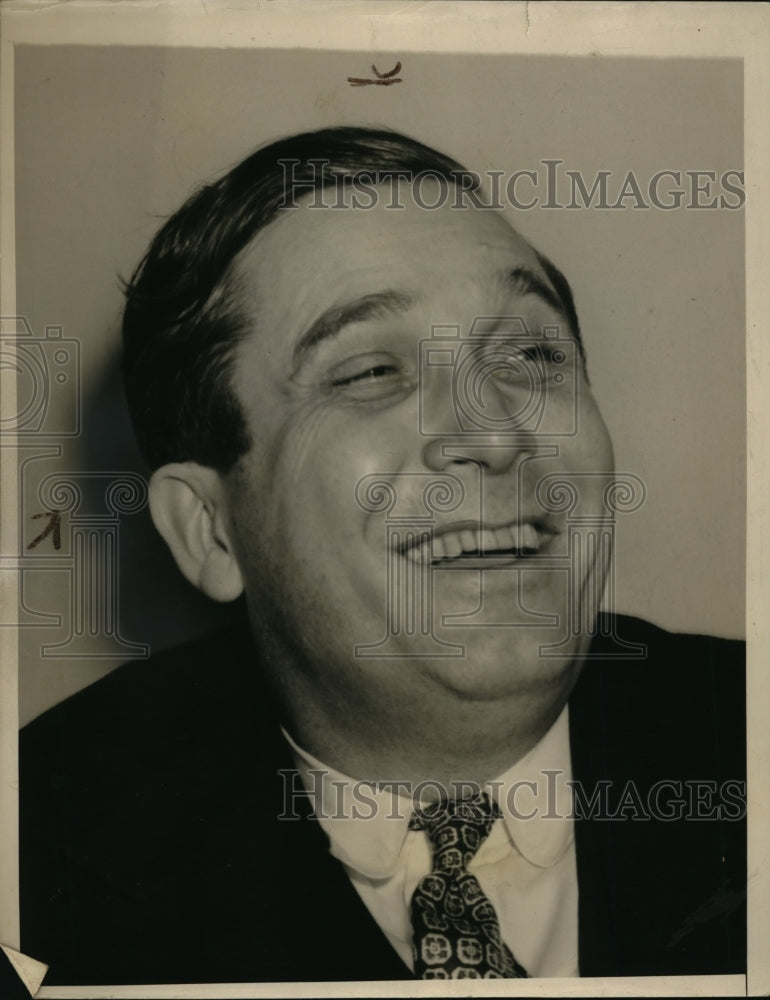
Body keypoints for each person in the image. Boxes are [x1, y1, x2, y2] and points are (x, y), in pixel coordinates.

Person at [19, 127, 745, 985]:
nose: (496, 435)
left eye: (532, 353)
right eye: (369, 372)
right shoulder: (39, 859)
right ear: (210, 530)